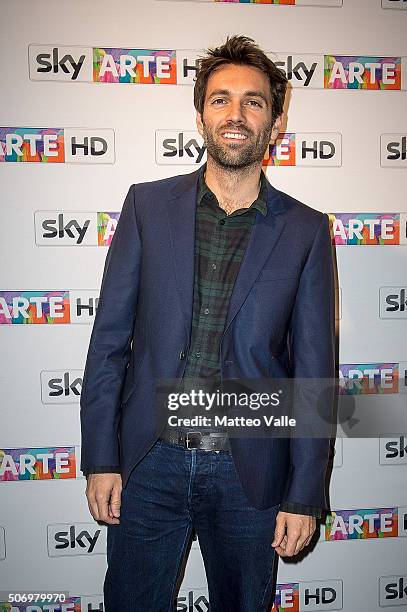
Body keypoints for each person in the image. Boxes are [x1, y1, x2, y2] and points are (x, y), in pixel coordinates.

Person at [80, 35, 335, 612]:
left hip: (250, 475)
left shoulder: (306, 230)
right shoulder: (147, 206)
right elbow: (109, 344)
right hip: (149, 464)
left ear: (274, 122)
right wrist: (101, 457)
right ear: (201, 116)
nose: (236, 115)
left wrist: (304, 494)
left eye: (254, 101)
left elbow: (314, 371)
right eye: (221, 100)